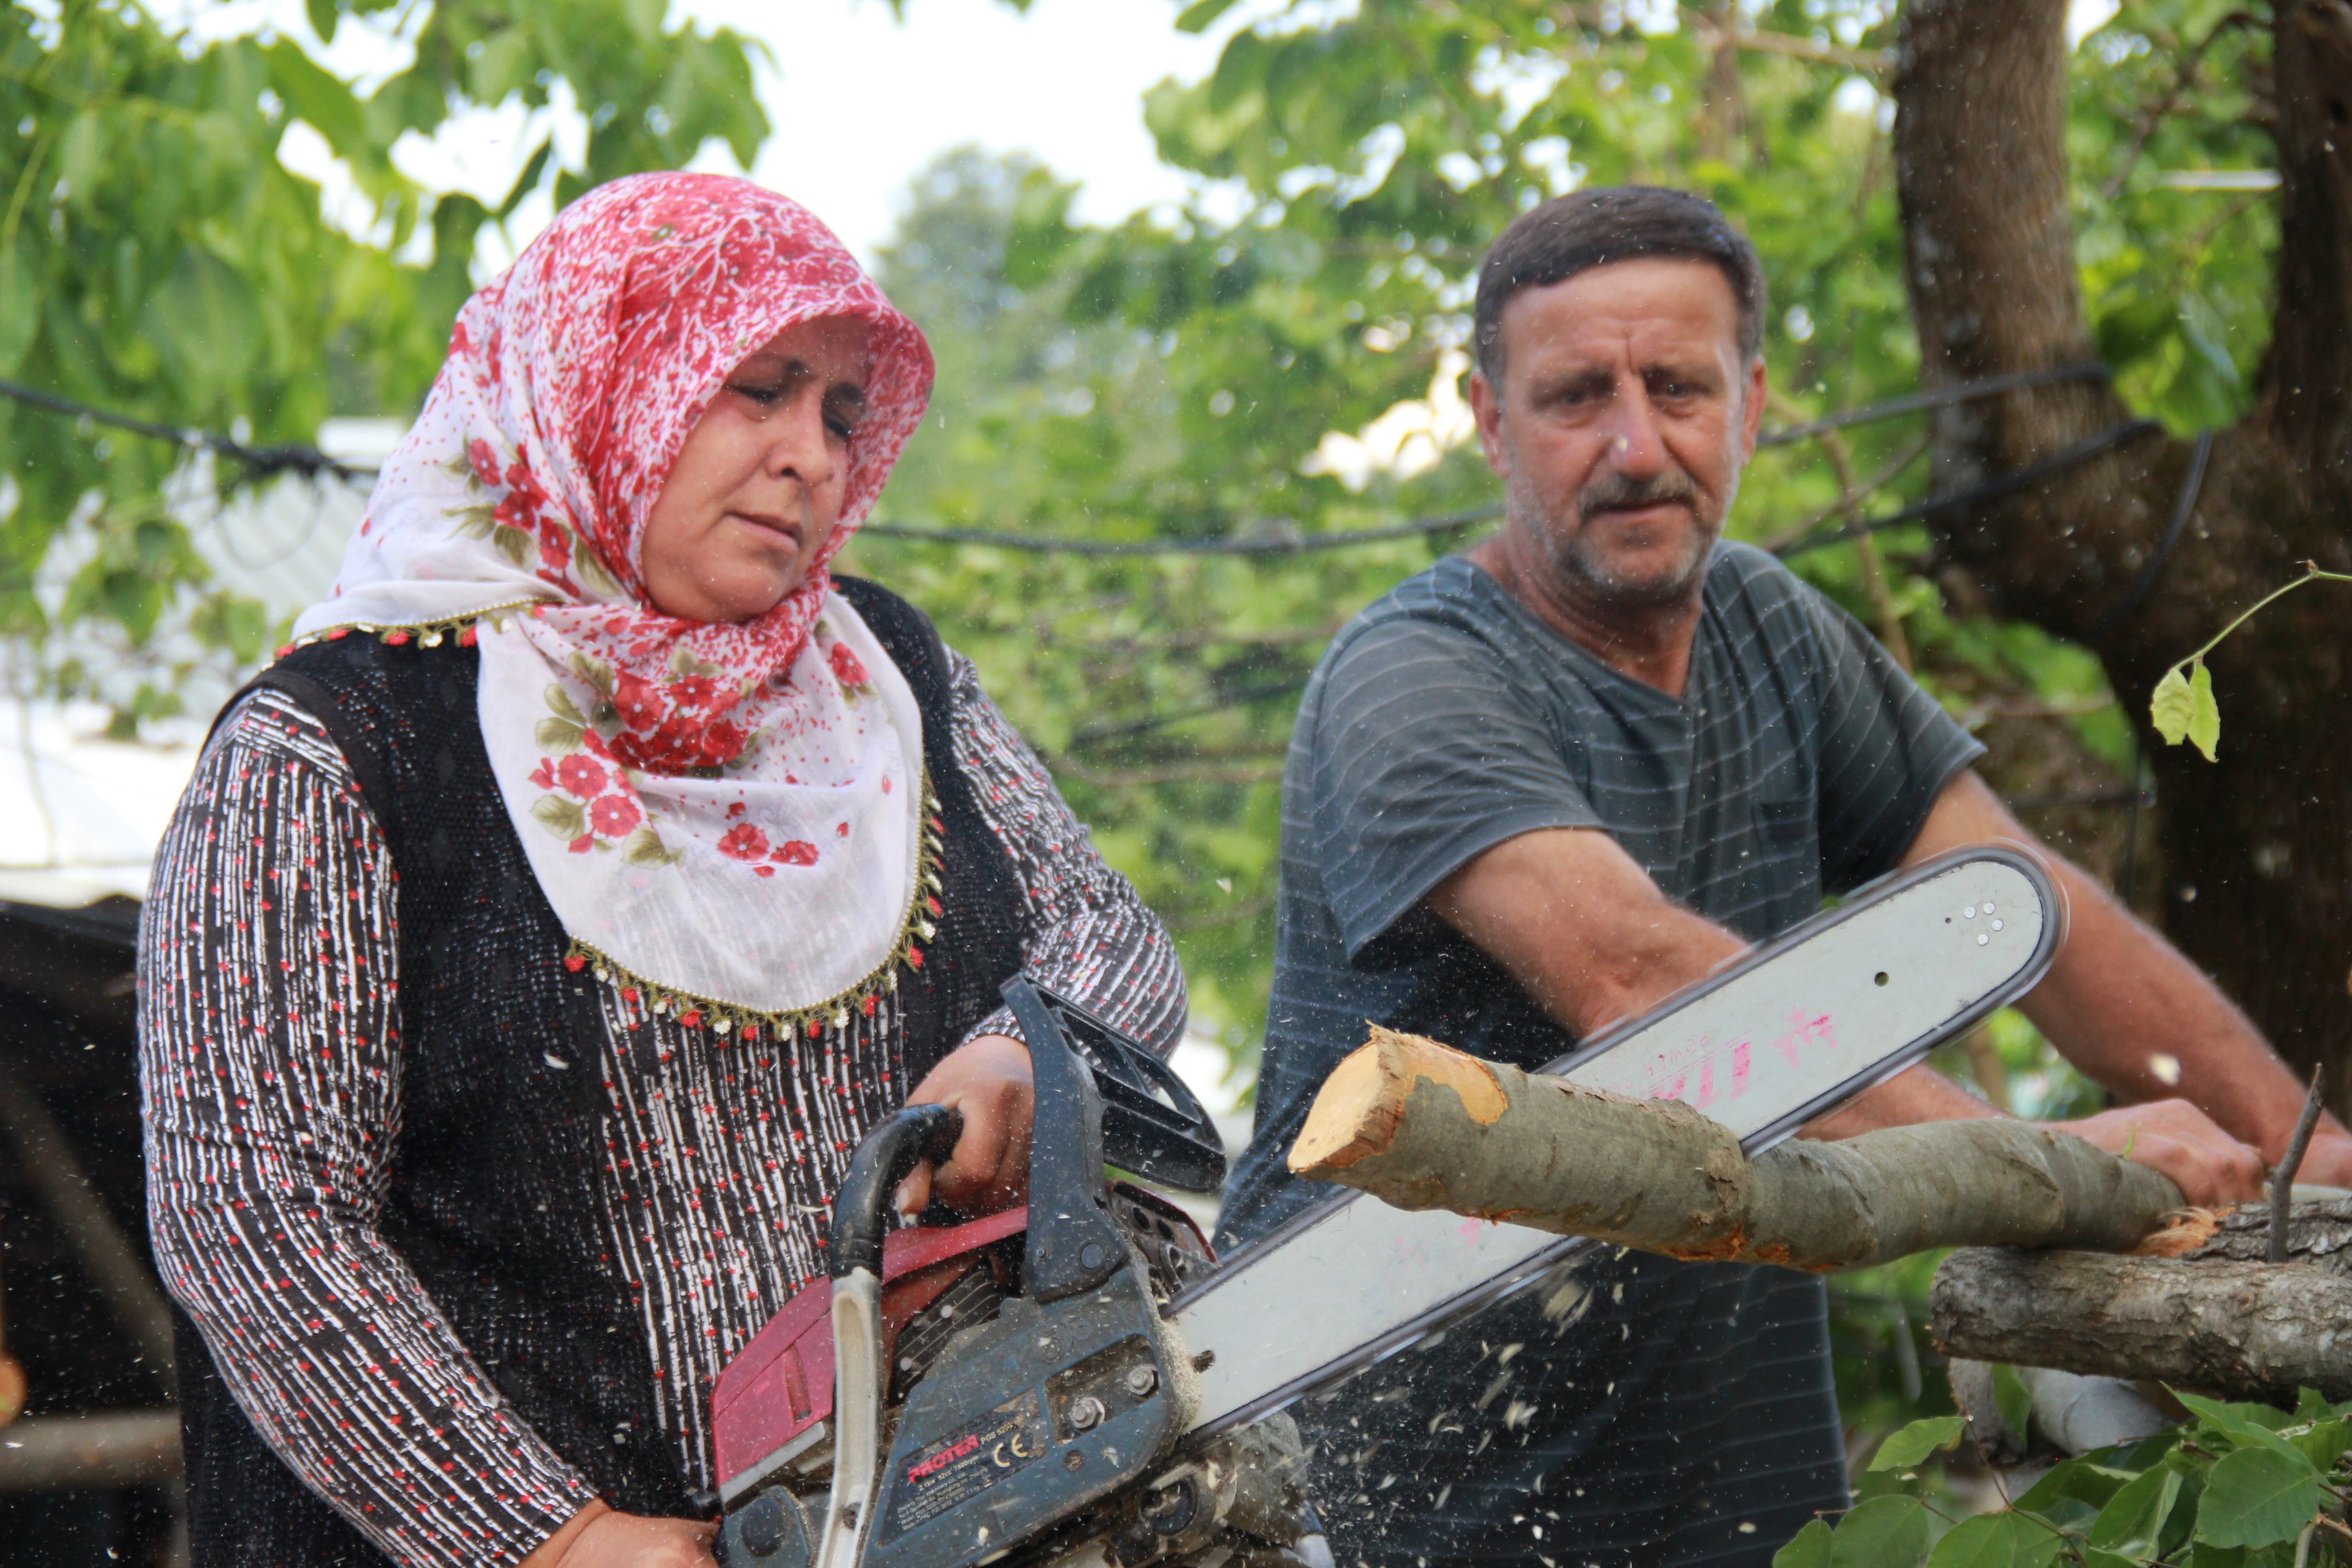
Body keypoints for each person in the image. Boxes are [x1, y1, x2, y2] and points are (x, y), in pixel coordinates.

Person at [1217, 185, 2352, 1568]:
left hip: (1736, 1478)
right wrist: (2048, 1166)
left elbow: (2031, 906)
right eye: (1579, 395)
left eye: (1679, 387)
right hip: (1414, 1492)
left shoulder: (1769, 629)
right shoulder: (1415, 678)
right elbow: (1641, 980)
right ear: (1488, 415)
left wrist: (2295, 1145)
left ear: (1751, 400)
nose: (1637, 445)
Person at [138, 173, 1184, 1568]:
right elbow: (253, 1214)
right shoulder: (335, 744)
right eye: (758, 387)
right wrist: (552, 1539)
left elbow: (1114, 944)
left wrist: (1014, 1060)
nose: (813, 456)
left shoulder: (887, 677)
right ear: (602, 373)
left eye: (841, 413)